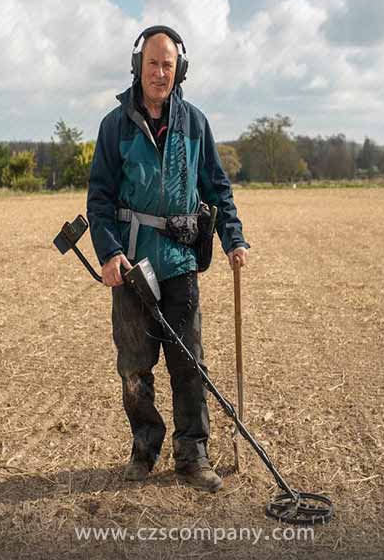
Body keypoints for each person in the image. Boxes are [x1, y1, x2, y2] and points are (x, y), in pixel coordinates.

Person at [86, 25, 249, 492]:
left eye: (169, 65)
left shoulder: (195, 123)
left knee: (188, 363)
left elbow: (218, 188)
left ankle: (192, 454)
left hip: (179, 264)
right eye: (153, 63)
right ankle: (144, 448)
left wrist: (233, 237)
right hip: (133, 266)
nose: (160, 73)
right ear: (137, 65)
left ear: (180, 72)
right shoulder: (114, 126)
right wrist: (110, 252)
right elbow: (99, 199)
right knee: (135, 366)